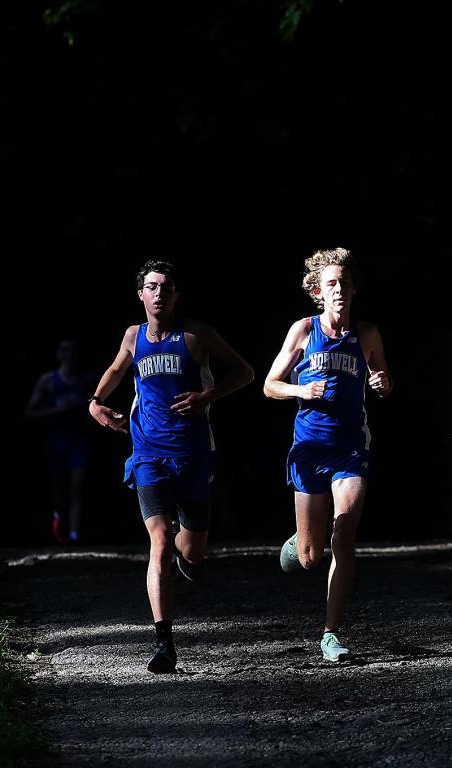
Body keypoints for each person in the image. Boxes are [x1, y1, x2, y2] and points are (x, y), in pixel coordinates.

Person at [88, 260, 253, 673]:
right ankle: (164, 643)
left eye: (165, 287)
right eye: (151, 287)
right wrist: (95, 402)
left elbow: (245, 372)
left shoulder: (196, 336)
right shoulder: (133, 336)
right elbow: (115, 369)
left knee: (191, 551)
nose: (158, 293)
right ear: (141, 295)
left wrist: (206, 396)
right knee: (158, 541)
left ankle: (190, 557)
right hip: (147, 453)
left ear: (176, 295)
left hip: (194, 454)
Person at [265, 247, 393, 662]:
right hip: (309, 449)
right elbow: (270, 384)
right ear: (319, 291)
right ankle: (300, 542)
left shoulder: (368, 334)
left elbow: (384, 382)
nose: (339, 289)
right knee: (309, 557)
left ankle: (330, 634)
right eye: (331, 284)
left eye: (344, 283)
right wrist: (301, 389)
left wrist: (382, 384)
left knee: (345, 530)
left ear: (354, 288)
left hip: (350, 448)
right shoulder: (303, 331)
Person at [25, 339, 96, 544]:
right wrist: (57, 410)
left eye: (74, 350)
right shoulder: (48, 380)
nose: (70, 354)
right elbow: (29, 414)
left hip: (79, 441)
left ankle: (75, 535)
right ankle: (58, 531)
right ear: (58, 354)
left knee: (77, 488)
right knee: (58, 489)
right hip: (55, 441)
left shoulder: (87, 380)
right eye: (66, 350)